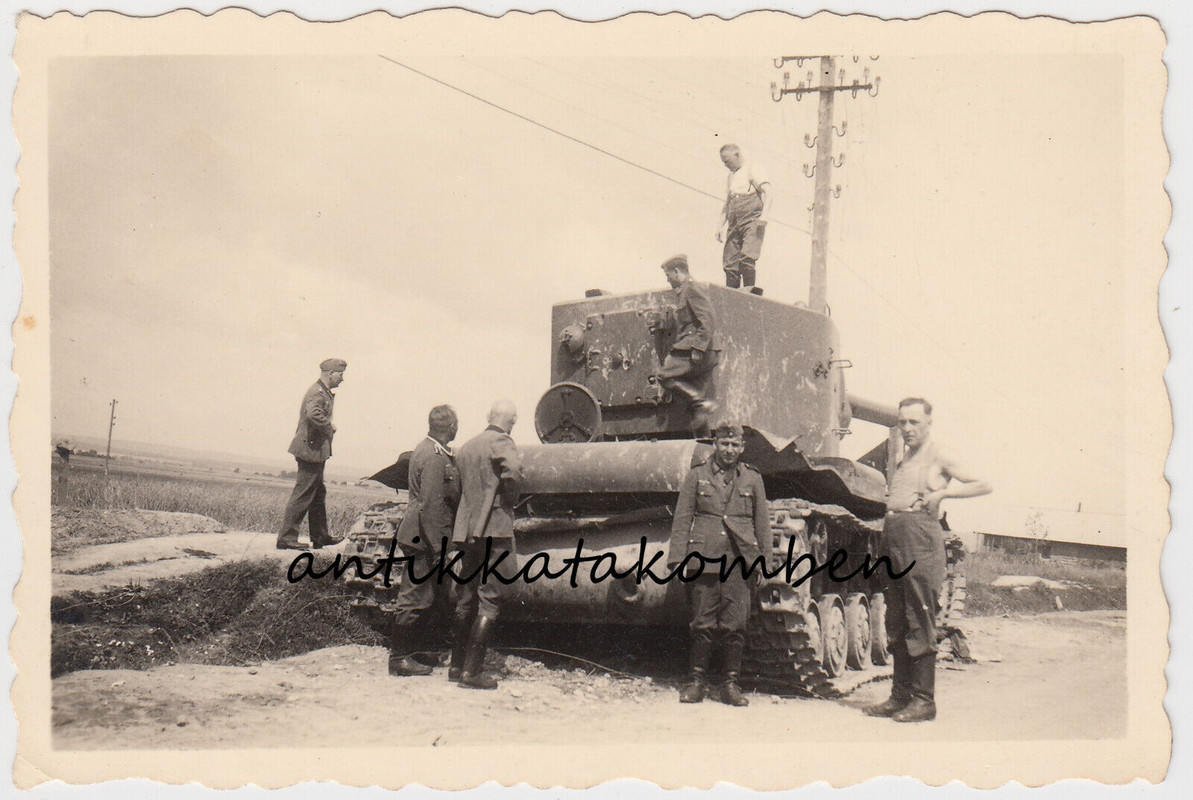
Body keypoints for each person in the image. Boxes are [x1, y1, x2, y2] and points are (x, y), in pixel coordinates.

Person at [865, 397, 991, 723]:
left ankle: (924, 701)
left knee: (919, 619)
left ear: (928, 424)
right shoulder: (904, 457)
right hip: (894, 538)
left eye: (914, 422)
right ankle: (899, 697)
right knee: (896, 620)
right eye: (902, 422)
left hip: (920, 540)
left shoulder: (939, 454)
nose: (907, 428)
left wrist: (943, 494)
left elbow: (984, 483)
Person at [667, 421, 772, 707]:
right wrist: (677, 559)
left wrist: (764, 562)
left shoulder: (752, 478)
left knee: (735, 624)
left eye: (734, 445)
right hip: (704, 558)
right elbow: (682, 518)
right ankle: (696, 682)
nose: (729, 450)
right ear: (715, 444)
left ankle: (730, 684)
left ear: (742, 447)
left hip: (740, 561)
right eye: (724, 444)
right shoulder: (697, 476)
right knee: (702, 622)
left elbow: (762, 523)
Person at [448, 399, 525, 690]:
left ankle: (456, 666)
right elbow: (514, 473)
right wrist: (510, 499)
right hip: (495, 528)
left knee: (466, 595)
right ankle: (472, 673)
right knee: (493, 595)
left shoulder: (467, 446)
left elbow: (458, 487)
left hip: (467, 529)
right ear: (512, 421)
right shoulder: (502, 441)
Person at [387, 405, 461, 677]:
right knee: (414, 597)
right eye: (455, 424)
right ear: (450, 427)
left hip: (424, 535)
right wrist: (442, 549)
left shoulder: (433, 451)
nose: (457, 428)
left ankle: (418, 651)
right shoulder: (432, 456)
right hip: (424, 538)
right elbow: (431, 506)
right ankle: (399, 658)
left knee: (431, 596)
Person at [276, 358, 347, 551]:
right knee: (304, 492)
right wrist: (329, 426)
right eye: (340, 374)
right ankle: (286, 538)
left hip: (314, 449)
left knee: (317, 492)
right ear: (330, 373)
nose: (342, 379)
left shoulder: (321, 391)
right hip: (310, 449)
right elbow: (313, 414)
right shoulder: (317, 392)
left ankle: (320, 536)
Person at [655, 255, 719, 432]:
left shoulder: (691, 289)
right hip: (700, 349)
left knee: (664, 375)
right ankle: (703, 434)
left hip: (697, 349)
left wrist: (698, 346)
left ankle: (699, 401)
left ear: (677, 271)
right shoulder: (684, 291)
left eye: (668, 275)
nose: (667, 280)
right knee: (698, 418)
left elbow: (708, 318)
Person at [715, 144, 772, 289]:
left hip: (751, 220)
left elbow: (769, 192)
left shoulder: (752, 168)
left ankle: (750, 296)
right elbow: (727, 204)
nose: (725, 165)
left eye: (727, 161)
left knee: (747, 258)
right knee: (730, 264)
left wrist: (764, 216)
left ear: (737, 154)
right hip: (734, 222)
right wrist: (719, 226)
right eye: (723, 162)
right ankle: (731, 297)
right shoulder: (731, 176)